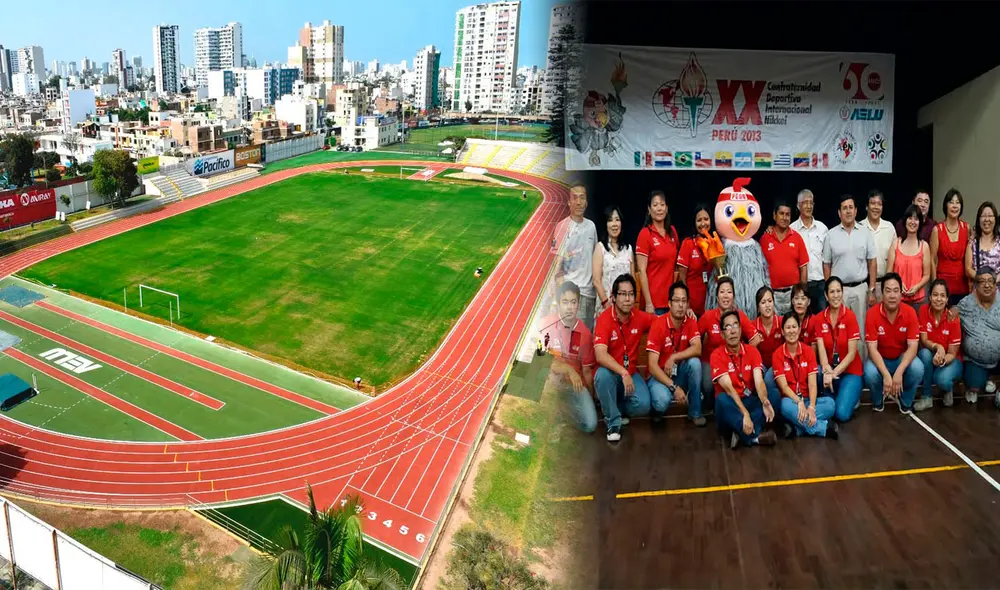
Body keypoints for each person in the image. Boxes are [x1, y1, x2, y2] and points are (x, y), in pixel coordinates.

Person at [593, 274, 655, 441]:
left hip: (631, 373)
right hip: (612, 373)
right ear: (613, 297)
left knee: (643, 405)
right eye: (623, 294)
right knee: (601, 376)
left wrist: (686, 313)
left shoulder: (639, 316)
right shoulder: (604, 319)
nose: (627, 299)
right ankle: (613, 423)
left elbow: (662, 321)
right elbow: (600, 355)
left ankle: (616, 408)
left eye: (631, 294)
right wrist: (623, 372)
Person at [538, 281, 599, 432]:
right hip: (550, 380)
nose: (570, 307)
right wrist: (567, 369)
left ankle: (562, 413)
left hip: (573, 385)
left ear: (578, 304)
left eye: (573, 302)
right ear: (558, 304)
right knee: (534, 371)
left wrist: (590, 397)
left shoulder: (584, 333)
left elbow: (586, 371)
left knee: (590, 425)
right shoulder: (546, 324)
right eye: (565, 302)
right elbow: (539, 360)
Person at [711, 310, 777, 449]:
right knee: (721, 400)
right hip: (732, 404)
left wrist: (764, 400)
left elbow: (759, 381)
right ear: (722, 334)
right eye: (728, 327)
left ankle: (741, 432)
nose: (732, 331)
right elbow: (729, 389)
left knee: (774, 396)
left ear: (741, 329)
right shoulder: (716, 355)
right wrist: (744, 413)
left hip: (749, 400)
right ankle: (754, 436)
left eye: (735, 325)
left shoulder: (752, 351)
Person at [823, 195, 877, 361]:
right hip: (839, 292)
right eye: (844, 208)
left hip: (861, 289)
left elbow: (872, 262)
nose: (848, 211)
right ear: (839, 213)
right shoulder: (831, 235)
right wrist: (829, 291)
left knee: (860, 331)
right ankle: (840, 368)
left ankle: (861, 369)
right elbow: (826, 264)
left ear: (856, 211)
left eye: (851, 208)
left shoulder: (865, 233)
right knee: (839, 331)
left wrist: (872, 289)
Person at [864, 272, 924, 413]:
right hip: (880, 358)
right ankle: (878, 399)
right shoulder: (872, 314)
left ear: (901, 294)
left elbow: (913, 347)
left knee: (917, 368)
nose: (892, 295)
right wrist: (886, 374)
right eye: (888, 291)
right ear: (882, 294)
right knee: (869, 372)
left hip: (901, 358)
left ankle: (905, 399)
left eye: (896, 291)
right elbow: (872, 349)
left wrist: (899, 372)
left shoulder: (910, 312)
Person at [772, 312, 839, 439]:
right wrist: (799, 402)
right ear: (782, 331)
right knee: (784, 406)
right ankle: (824, 428)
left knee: (830, 404)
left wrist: (812, 407)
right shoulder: (777, 355)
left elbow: (812, 384)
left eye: (794, 327)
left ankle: (797, 428)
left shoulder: (808, 351)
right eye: (788, 327)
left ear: (799, 330)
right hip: (791, 401)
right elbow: (784, 387)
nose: (791, 331)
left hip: (808, 399)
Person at [646, 282, 704, 426]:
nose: (680, 305)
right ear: (669, 303)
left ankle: (695, 413)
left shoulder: (690, 321)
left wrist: (674, 357)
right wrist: (674, 387)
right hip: (659, 376)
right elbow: (652, 366)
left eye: (684, 301)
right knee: (662, 401)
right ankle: (657, 410)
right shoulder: (658, 324)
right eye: (677, 300)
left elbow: (698, 348)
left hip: (679, 373)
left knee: (695, 363)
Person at [811, 276, 864, 422]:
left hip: (850, 372)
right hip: (829, 371)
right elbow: (821, 350)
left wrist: (834, 373)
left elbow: (852, 354)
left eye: (838, 291)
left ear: (842, 292)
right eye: (832, 292)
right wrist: (827, 369)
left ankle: (848, 396)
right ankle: (838, 397)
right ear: (826, 295)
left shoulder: (850, 316)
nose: (836, 295)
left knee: (841, 414)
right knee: (818, 372)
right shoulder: (819, 318)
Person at [699, 277, 762, 396]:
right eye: (722, 292)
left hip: (736, 361)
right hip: (711, 361)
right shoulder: (708, 316)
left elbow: (756, 338)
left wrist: (745, 355)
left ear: (733, 296)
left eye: (729, 292)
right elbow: (695, 337)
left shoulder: (740, 316)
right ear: (717, 297)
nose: (725, 296)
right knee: (708, 386)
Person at [552, 183, 599, 330]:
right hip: (571, 295)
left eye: (582, 198)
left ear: (586, 202)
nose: (578, 202)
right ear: (569, 202)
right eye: (575, 198)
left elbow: (595, 259)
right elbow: (556, 266)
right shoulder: (562, 227)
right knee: (570, 338)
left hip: (589, 295)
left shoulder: (591, 227)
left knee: (586, 338)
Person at [916, 280, 963, 410]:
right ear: (930, 297)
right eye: (935, 295)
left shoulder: (953, 318)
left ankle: (948, 388)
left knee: (941, 379)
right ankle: (926, 397)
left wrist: (942, 360)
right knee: (924, 353)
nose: (938, 299)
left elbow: (952, 353)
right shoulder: (923, 310)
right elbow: (924, 340)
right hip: (932, 354)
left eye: (942, 296)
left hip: (952, 360)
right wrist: (938, 347)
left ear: (947, 299)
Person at [957, 266, 1000, 406]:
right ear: (975, 286)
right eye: (982, 281)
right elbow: (951, 314)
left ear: (995, 284)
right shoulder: (966, 303)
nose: (987, 285)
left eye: (990, 281)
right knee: (974, 385)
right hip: (975, 360)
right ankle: (983, 380)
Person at [760, 200, 809, 316]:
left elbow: (803, 268)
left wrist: (801, 293)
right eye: (781, 214)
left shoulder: (797, 238)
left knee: (793, 326)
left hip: (793, 294)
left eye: (787, 214)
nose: (784, 217)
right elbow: (759, 269)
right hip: (772, 295)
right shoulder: (765, 239)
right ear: (774, 215)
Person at [636, 190, 679, 315]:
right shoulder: (645, 234)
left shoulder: (672, 232)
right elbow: (641, 271)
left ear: (667, 208)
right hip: (654, 304)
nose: (659, 208)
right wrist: (649, 303)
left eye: (662, 204)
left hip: (671, 301)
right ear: (649, 210)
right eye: (655, 205)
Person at [790, 189, 829, 313]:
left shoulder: (822, 228)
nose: (808, 206)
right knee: (802, 318)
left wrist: (827, 283)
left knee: (822, 319)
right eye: (805, 202)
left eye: (811, 203)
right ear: (798, 205)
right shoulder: (792, 230)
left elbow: (827, 259)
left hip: (820, 283)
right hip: (801, 285)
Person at [887, 204, 931, 313]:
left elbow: (927, 275)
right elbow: (889, 272)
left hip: (918, 301)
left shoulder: (924, 246)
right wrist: (898, 284)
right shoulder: (895, 243)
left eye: (916, 219)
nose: (912, 222)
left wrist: (917, 287)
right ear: (905, 220)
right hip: (897, 299)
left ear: (920, 222)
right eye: (910, 218)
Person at [592, 206, 634, 317]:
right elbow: (596, 281)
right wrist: (606, 304)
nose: (614, 224)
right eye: (610, 220)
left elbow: (632, 280)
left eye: (617, 219)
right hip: (606, 307)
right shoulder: (600, 248)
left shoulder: (628, 249)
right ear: (606, 224)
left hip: (625, 308)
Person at [930, 188, 969, 306]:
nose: (955, 206)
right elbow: (932, 260)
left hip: (963, 286)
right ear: (945, 205)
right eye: (951, 202)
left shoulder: (966, 228)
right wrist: (935, 285)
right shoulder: (937, 230)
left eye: (958, 202)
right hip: (943, 289)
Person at [857, 190, 897, 301]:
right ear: (866, 207)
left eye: (879, 204)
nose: (876, 207)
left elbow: (896, 256)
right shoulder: (859, 228)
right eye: (872, 203)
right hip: (864, 285)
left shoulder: (889, 228)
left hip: (885, 285)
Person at [675, 204, 712, 316]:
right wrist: (687, 305)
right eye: (699, 220)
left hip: (710, 306)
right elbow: (682, 279)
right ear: (694, 223)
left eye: (706, 219)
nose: (703, 223)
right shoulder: (688, 244)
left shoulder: (715, 243)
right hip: (691, 309)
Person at [965, 202, 1000, 288]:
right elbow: (968, 269)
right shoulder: (972, 243)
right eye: (984, 216)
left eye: (990, 216)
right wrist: (983, 281)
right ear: (978, 219)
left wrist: (993, 281)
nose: (987, 219)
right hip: (979, 292)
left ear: (995, 219)